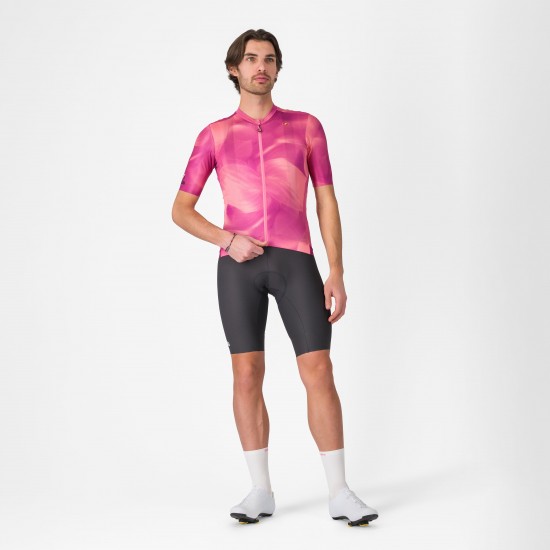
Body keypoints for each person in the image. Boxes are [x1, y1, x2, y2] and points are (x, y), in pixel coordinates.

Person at [171, 28, 379, 527]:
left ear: (278, 68)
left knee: (319, 370)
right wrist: (227, 239)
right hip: (238, 266)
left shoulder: (306, 127)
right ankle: (260, 490)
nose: (260, 66)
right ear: (234, 69)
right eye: (250, 59)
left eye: (269, 59)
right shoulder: (215, 135)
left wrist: (336, 268)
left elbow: (325, 199)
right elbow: (181, 210)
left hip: (295, 260)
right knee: (246, 374)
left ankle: (340, 492)